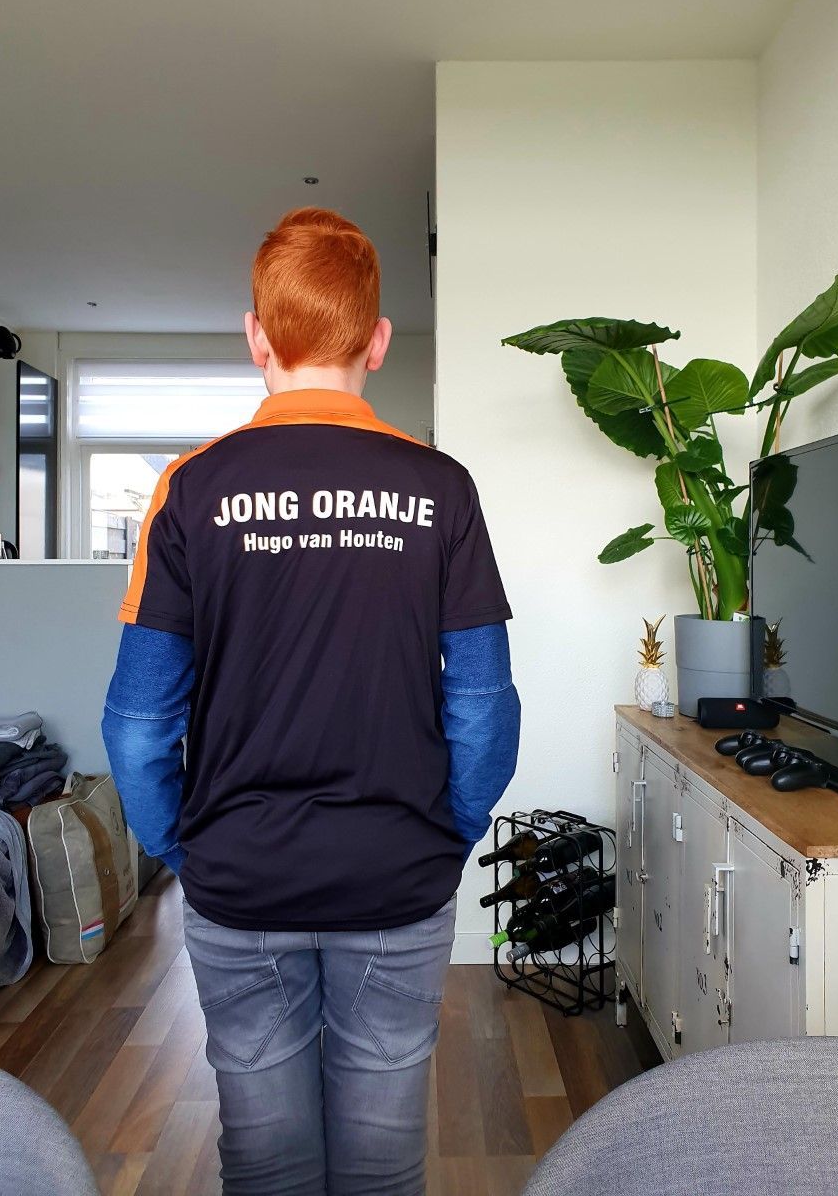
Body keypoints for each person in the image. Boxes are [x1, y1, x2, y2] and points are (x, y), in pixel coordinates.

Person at [101, 207, 520, 1196]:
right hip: (397, 872)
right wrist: (442, 832)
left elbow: (137, 721)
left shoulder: (190, 489)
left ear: (256, 336)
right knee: (383, 1163)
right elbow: (483, 702)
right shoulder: (441, 487)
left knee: (267, 1155)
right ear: (376, 339)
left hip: (241, 875)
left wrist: (182, 847)